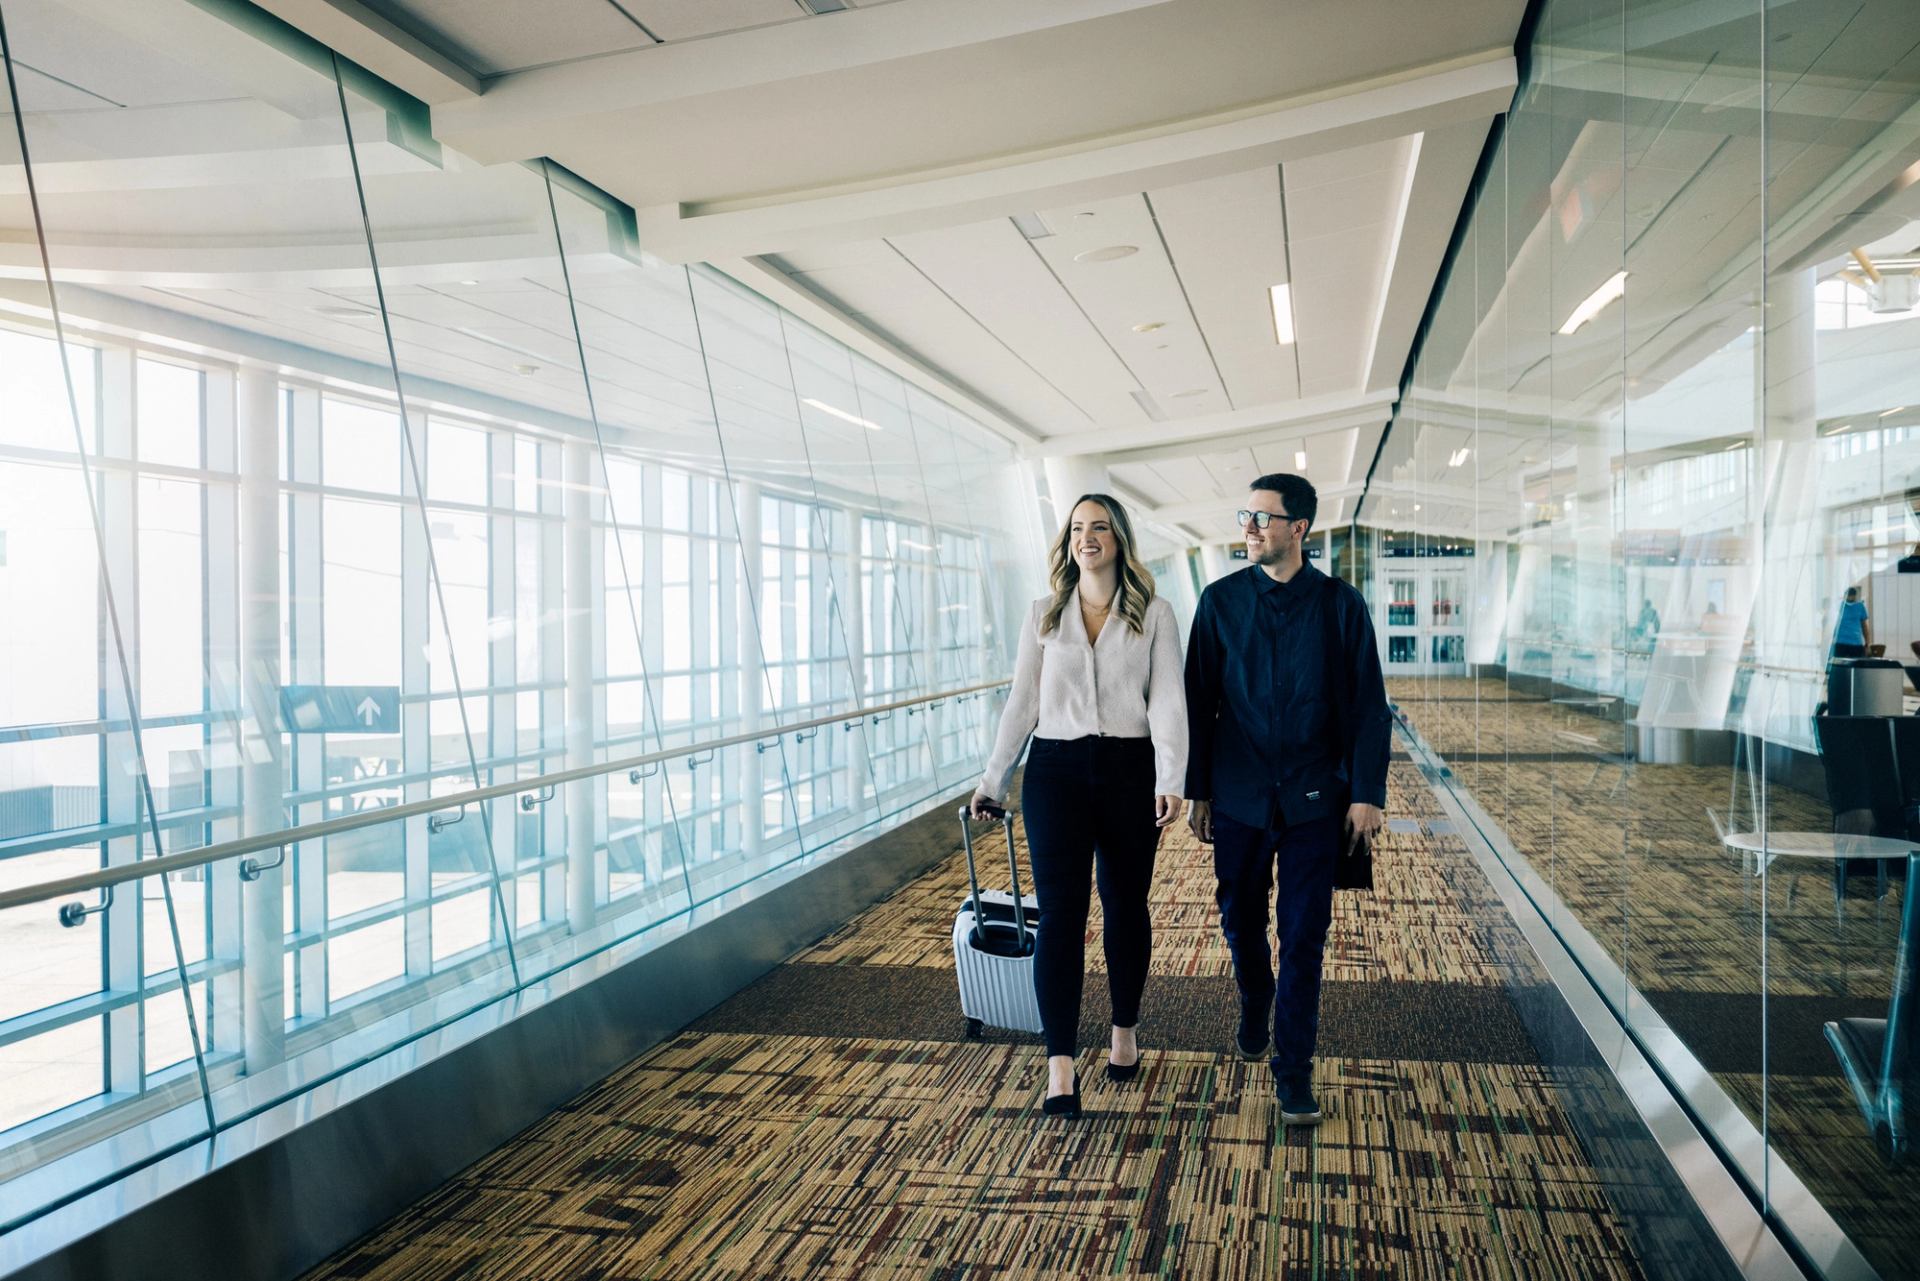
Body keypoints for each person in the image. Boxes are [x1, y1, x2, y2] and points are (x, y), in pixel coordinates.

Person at [971, 494, 1186, 1120]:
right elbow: (1021, 703)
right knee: (1061, 917)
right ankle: (1059, 1063)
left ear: (1118, 538)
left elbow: (1169, 700)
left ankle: (1124, 1030)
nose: (1086, 537)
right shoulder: (1044, 614)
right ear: (1067, 542)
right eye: (1076, 529)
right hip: (1056, 775)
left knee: (1124, 905)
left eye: (1098, 528)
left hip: (1129, 771)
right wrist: (994, 779)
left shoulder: (1156, 614)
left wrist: (1170, 778)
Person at [1184, 473, 1390, 1126]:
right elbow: (1197, 702)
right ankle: (1255, 997)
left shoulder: (1339, 605)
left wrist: (1366, 791)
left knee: (1304, 934)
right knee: (1241, 920)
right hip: (1240, 794)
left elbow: (1368, 706)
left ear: (1299, 529)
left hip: (1313, 799)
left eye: (1263, 517)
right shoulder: (1219, 602)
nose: (1249, 526)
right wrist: (1198, 789)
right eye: (1246, 514)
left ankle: (1293, 1071)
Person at [1833, 585, 1870, 660]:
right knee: (1857, 667)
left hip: (1840, 643)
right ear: (1855, 596)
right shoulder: (1860, 606)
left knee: (1840, 668)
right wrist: (1867, 643)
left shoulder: (1839, 606)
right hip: (1855, 644)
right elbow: (1864, 627)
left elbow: (1833, 625)